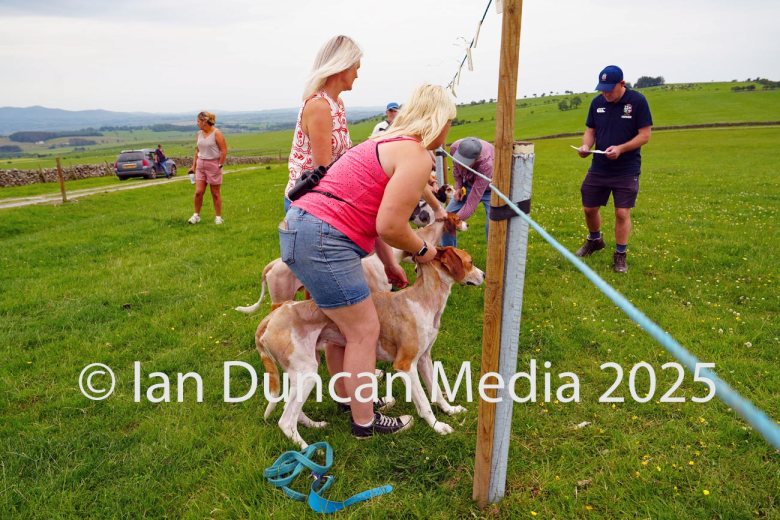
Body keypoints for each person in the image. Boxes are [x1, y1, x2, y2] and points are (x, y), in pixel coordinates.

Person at [279, 84, 454, 439]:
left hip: (302, 230)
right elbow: (390, 224)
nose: (450, 129)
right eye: (450, 121)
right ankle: (364, 421)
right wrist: (425, 252)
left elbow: (369, 211)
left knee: (344, 329)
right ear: (438, 120)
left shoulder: (382, 144)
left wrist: (390, 264)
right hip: (324, 241)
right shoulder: (417, 156)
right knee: (364, 329)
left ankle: (349, 398)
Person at [575, 65, 653, 273]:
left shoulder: (638, 101)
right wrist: (585, 147)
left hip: (626, 168)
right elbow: (591, 130)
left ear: (622, 84)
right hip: (599, 166)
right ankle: (595, 240)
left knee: (621, 212)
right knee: (589, 208)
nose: (606, 93)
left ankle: (620, 254)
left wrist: (621, 149)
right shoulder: (597, 103)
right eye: (602, 88)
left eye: (610, 88)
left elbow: (645, 135)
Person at [286, 35, 361, 214]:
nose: (357, 75)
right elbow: (324, 169)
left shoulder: (337, 103)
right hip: (308, 205)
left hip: (325, 200)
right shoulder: (319, 106)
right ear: (343, 66)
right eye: (355, 68)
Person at [441, 137, 494, 247]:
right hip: (468, 184)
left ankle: (495, 261)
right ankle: (450, 255)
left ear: (477, 159)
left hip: (491, 189)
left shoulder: (486, 164)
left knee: (493, 225)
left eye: (465, 163)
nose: (460, 164)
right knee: (444, 221)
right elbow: (456, 170)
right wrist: (459, 187)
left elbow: (471, 203)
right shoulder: (455, 147)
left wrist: (454, 221)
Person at [187, 111, 228, 225]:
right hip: (201, 165)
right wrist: (193, 166)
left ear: (205, 122)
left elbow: (224, 150)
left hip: (213, 165)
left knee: (215, 193)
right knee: (198, 192)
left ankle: (218, 217)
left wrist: (220, 164)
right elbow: (197, 150)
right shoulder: (199, 134)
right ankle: (196, 216)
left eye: (198, 121)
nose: (197, 123)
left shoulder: (217, 133)